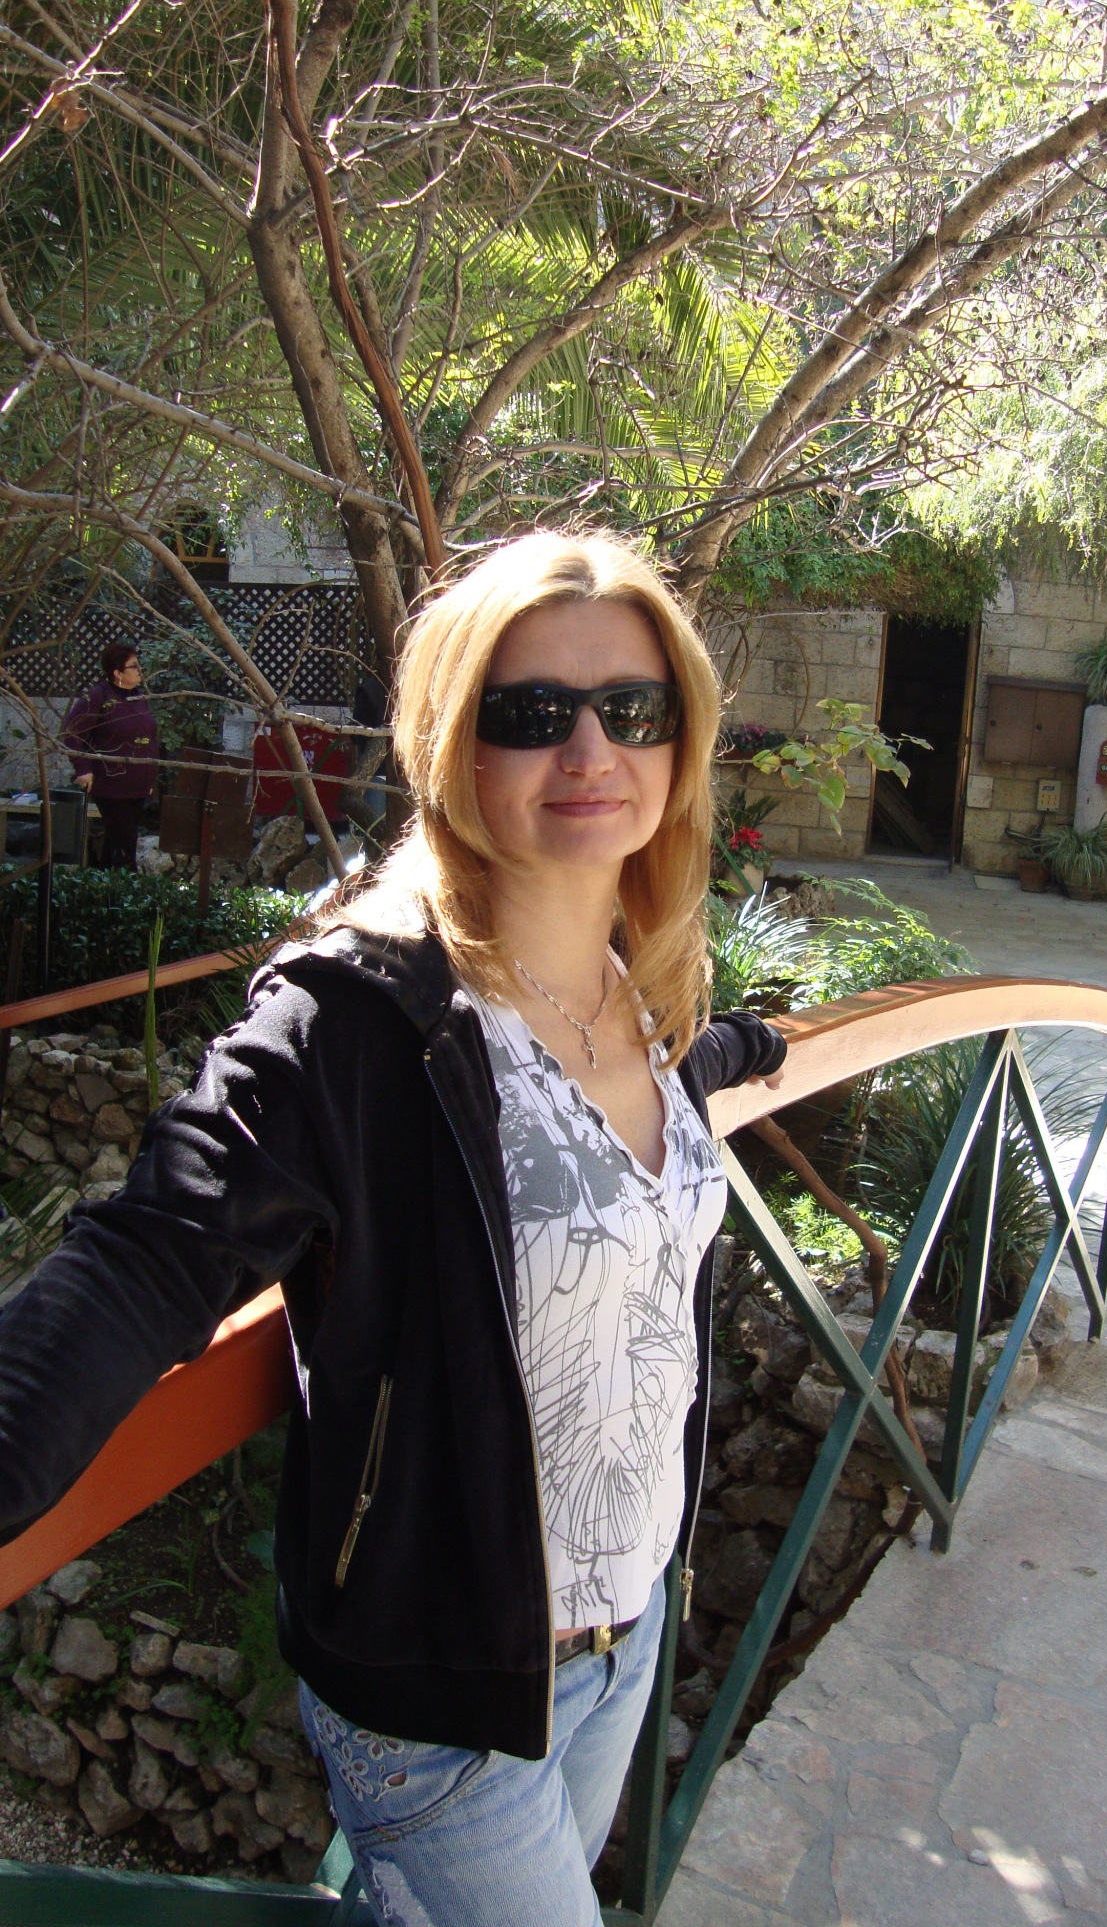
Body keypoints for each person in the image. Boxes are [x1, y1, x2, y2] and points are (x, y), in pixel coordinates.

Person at [0, 533, 786, 1926]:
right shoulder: (355, 1018)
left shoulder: (638, 986)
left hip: (623, 1636)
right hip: (441, 1694)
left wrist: (736, 1049)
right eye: (529, 712)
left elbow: (621, 1123)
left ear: (682, 737)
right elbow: (144, 1258)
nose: (590, 748)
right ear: (450, 742)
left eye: (632, 707)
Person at [61, 640, 159, 869]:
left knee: (118, 843)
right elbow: (72, 732)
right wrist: (82, 769)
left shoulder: (137, 697)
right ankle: (126, 885)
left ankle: (105, 884)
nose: (140, 670)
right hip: (111, 783)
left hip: (137, 786)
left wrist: (149, 778)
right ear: (117, 673)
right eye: (133, 666)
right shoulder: (98, 696)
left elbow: (148, 737)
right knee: (124, 841)